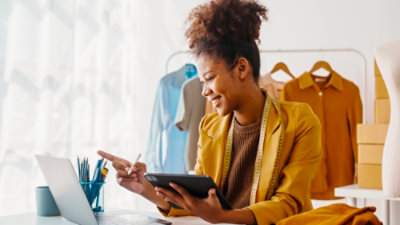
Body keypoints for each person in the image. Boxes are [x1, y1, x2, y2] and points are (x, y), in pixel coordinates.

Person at [98, 0, 322, 224]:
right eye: (201, 82)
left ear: (241, 68)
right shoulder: (209, 127)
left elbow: (289, 202)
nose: (205, 92)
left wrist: (223, 216)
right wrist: (145, 188)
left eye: (210, 78)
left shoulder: (300, 120)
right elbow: (197, 204)